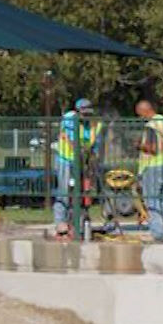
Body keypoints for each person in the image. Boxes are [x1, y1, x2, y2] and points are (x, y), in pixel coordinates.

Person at [134, 99, 163, 242]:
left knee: (152, 200)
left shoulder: (151, 126)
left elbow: (153, 148)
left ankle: (158, 232)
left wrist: (139, 145)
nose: (140, 118)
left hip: (153, 166)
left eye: (139, 114)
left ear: (144, 111)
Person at [52, 98, 95, 238]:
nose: (86, 116)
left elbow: (90, 144)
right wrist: (78, 150)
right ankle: (60, 222)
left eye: (88, 113)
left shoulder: (89, 124)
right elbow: (70, 138)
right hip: (65, 160)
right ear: (78, 111)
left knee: (81, 192)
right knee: (64, 191)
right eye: (84, 113)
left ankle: (77, 221)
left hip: (81, 162)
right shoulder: (70, 118)